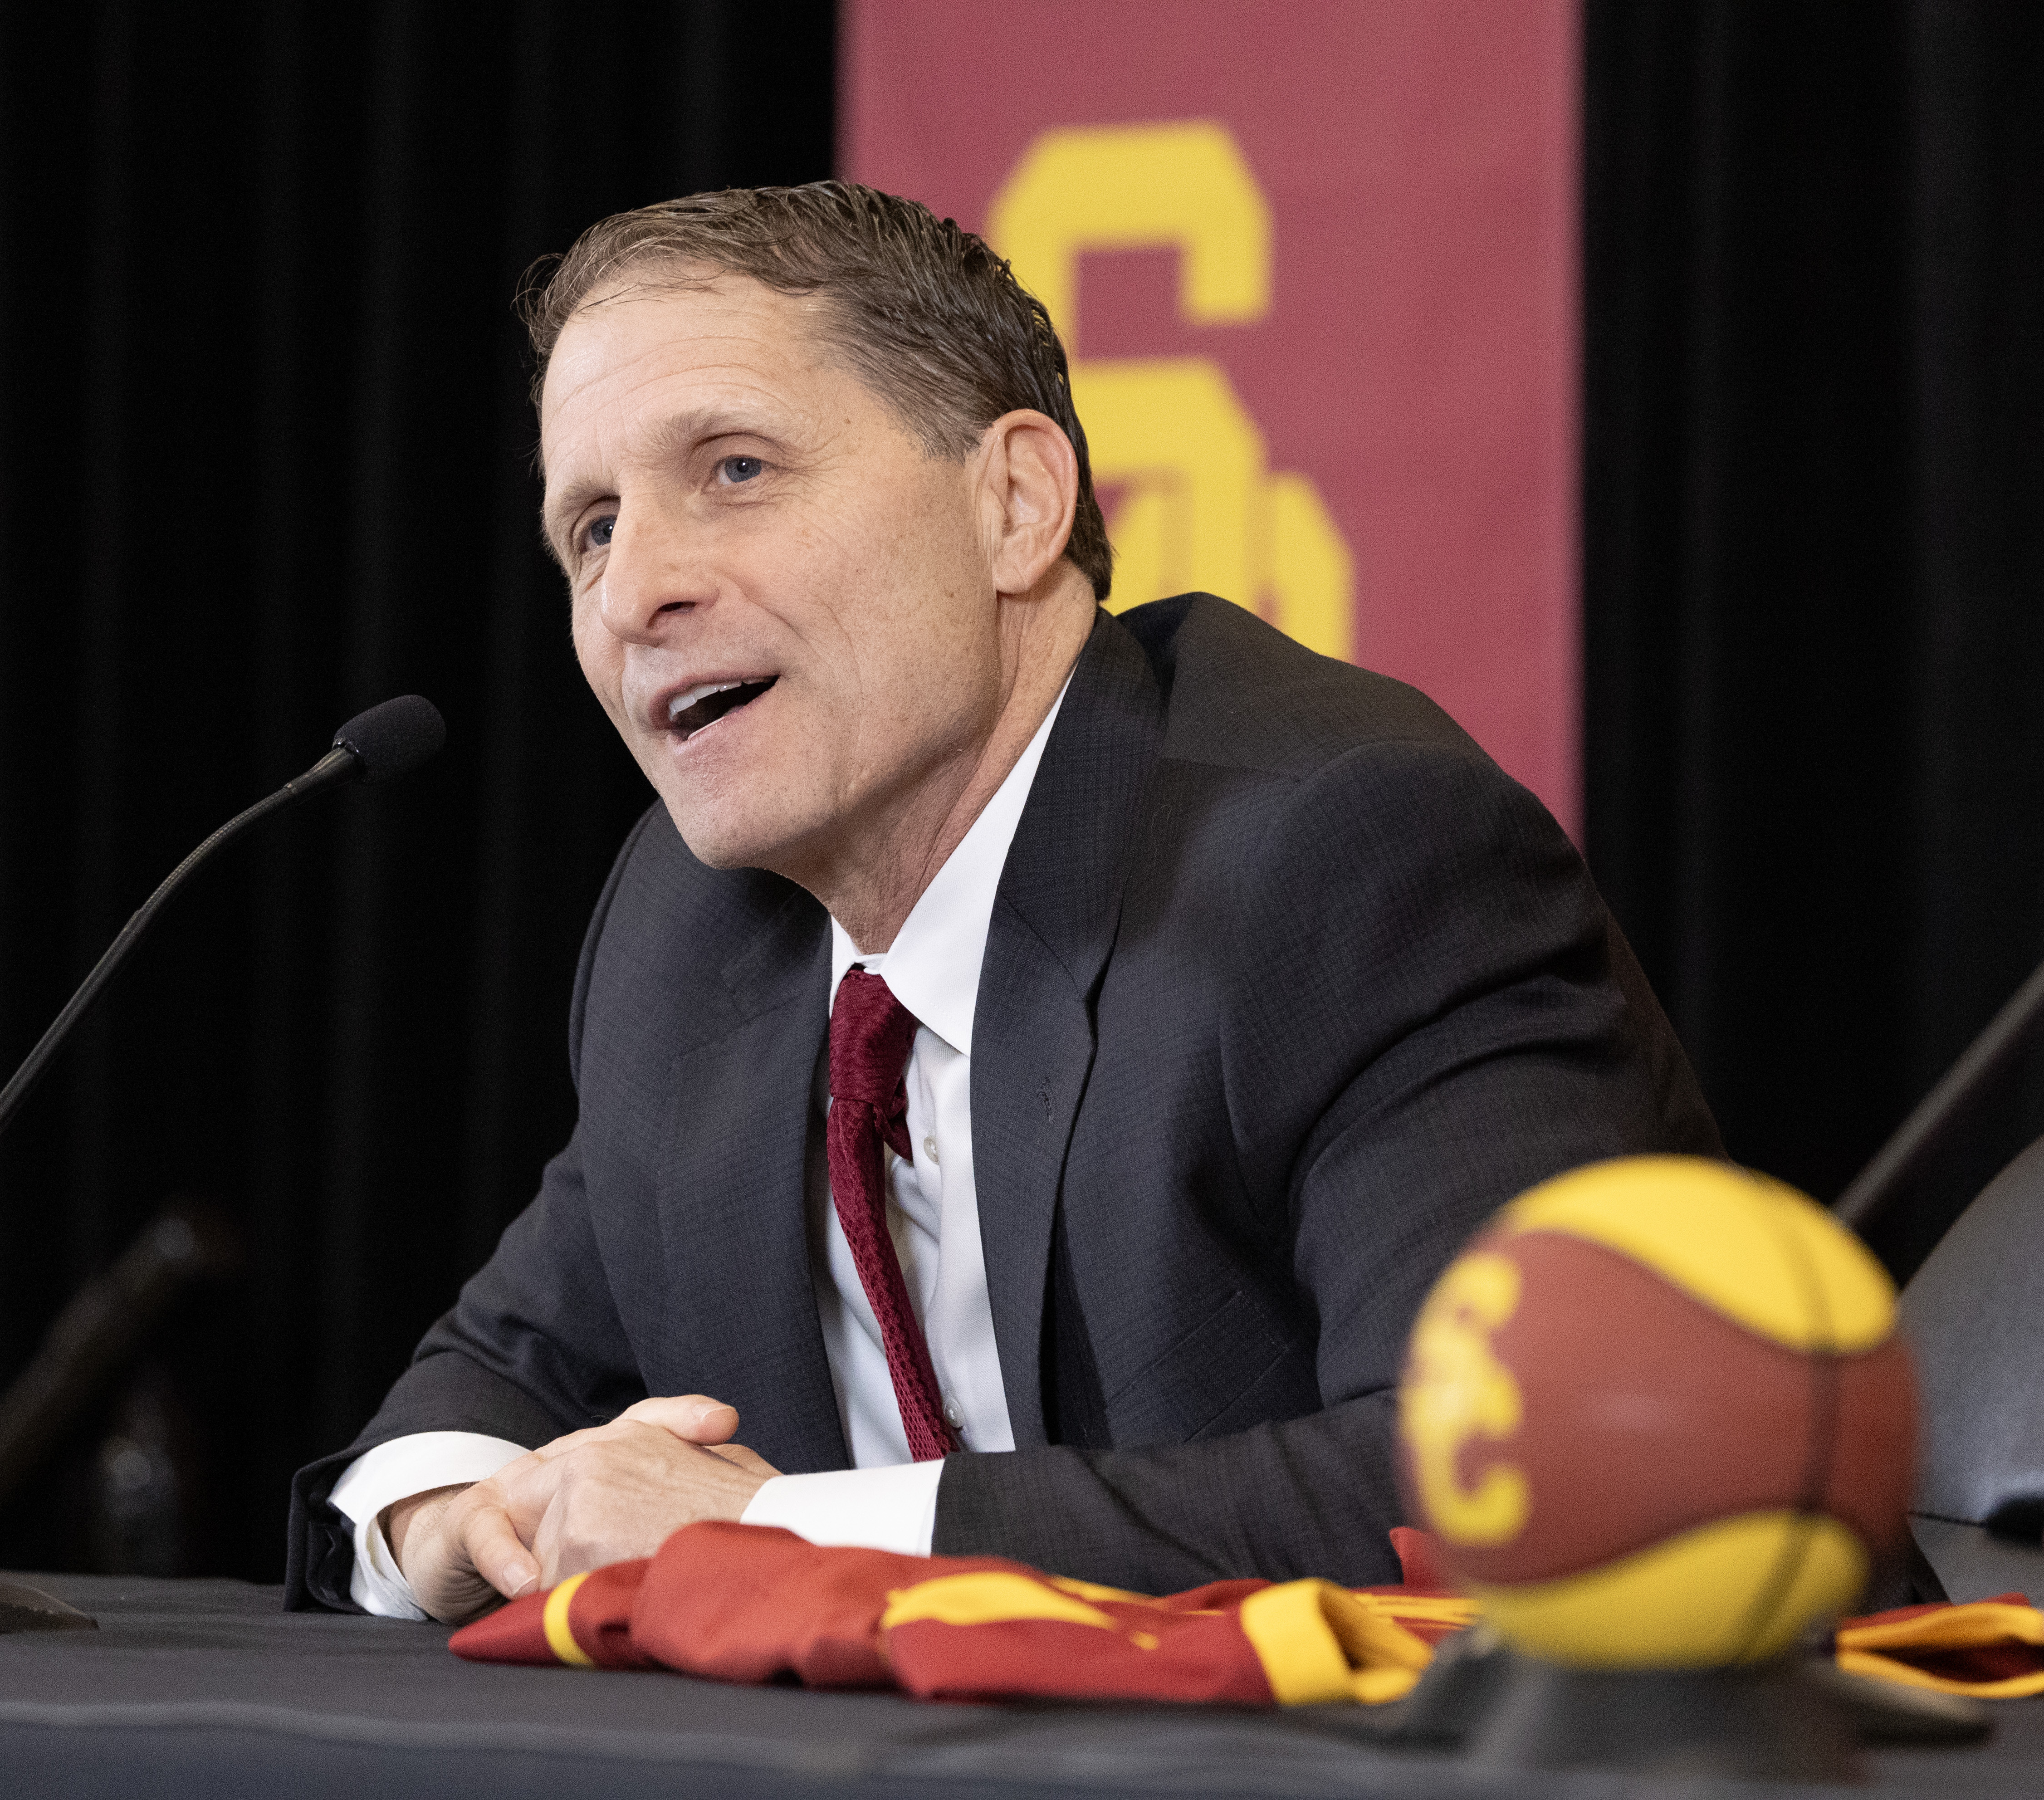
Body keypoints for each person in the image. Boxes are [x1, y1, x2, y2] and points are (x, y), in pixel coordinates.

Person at [283, 182, 1721, 1624]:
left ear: (1014, 504)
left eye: (732, 470)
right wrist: (458, 1524)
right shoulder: (694, 934)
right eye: (589, 528)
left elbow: (1520, 1483)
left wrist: (775, 1530)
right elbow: (479, 1392)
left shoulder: (1340, 857)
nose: (633, 591)